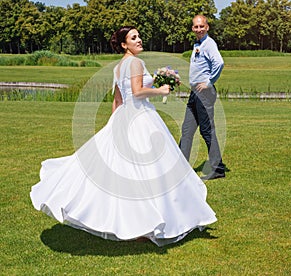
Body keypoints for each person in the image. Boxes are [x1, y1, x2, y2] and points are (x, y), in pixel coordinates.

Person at [30, 26, 217, 247]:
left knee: (130, 171)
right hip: (140, 117)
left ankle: (139, 222)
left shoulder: (118, 67)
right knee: (153, 168)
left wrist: (114, 124)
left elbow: (117, 100)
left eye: (139, 36)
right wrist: (161, 91)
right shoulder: (136, 63)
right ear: (123, 44)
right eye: (133, 38)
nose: (139, 40)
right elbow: (137, 92)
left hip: (125, 117)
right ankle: (160, 219)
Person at [179, 15, 226, 181]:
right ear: (192, 28)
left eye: (201, 26)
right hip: (194, 93)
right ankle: (181, 167)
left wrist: (209, 82)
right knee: (187, 130)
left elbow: (219, 63)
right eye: (195, 27)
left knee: (207, 130)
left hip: (204, 93)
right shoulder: (197, 44)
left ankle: (218, 169)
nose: (198, 29)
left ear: (207, 27)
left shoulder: (209, 44)